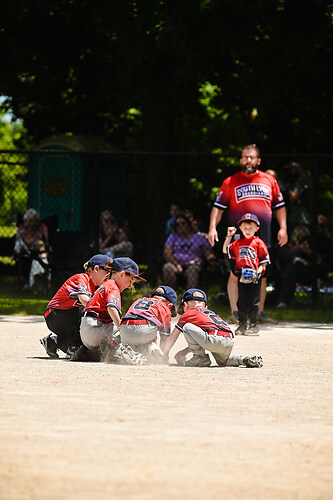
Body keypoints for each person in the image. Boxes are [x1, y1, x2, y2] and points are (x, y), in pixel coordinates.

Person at [208, 144, 288, 325]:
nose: (248, 161)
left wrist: (283, 228)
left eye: (251, 157)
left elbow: (280, 207)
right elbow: (218, 208)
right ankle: (235, 313)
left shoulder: (269, 180)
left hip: (263, 236)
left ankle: (257, 313)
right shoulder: (231, 181)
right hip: (238, 237)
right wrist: (212, 227)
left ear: (258, 160)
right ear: (240, 160)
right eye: (245, 157)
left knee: (262, 273)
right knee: (235, 273)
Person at [162, 288, 263, 368]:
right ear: (205, 306)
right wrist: (183, 352)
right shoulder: (210, 314)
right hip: (229, 340)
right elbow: (201, 341)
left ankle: (200, 357)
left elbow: (173, 337)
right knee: (224, 361)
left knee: (187, 326)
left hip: (213, 339)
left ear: (185, 305)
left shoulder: (188, 314)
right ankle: (244, 359)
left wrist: (164, 355)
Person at [71, 257, 145, 362]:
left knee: (118, 327)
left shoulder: (106, 284)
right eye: (130, 280)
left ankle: (89, 353)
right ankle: (117, 353)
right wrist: (122, 329)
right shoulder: (113, 288)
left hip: (86, 332)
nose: (130, 285)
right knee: (129, 327)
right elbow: (111, 308)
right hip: (95, 329)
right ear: (122, 275)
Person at [40, 254, 112, 358]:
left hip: (67, 320)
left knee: (87, 349)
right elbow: (84, 299)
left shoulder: (96, 287)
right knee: (88, 312)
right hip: (54, 315)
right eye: (107, 272)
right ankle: (73, 347)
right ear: (96, 269)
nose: (109, 276)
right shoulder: (82, 278)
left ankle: (53, 341)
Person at [223, 213, 270, 335]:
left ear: (257, 229)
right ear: (240, 229)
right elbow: (225, 249)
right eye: (245, 228)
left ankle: (253, 325)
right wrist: (229, 236)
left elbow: (264, 262)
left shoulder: (258, 242)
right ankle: (242, 324)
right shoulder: (238, 243)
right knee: (241, 302)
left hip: (254, 278)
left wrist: (257, 272)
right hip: (242, 277)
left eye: (250, 228)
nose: (248, 230)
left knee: (254, 302)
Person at [276, 215, 333, 308]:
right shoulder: (307, 240)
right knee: (294, 267)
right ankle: (284, 301)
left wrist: (312, 254)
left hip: (320, 272)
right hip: (305, 272)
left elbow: (329, 263)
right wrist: (297, 249)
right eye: (316, 224)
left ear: (325, 227)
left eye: (321, 225)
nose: (318, 227)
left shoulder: (327, 243)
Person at [118, 286, 177, 365]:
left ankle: (131, 351)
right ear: (169, 305)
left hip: (124, 330)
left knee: (140, 340)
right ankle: (150, 351)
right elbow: (165, 337)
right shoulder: (165, 307)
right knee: (152, 329)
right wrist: (164, 357)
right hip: (143, 329)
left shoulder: (140, 300)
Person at [163, 213, 217, 289]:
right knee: (167, 267)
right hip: (176, 264)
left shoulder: (199, 237)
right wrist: (176, 264)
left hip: (194, 264)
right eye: (177, 224)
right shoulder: (173, 237)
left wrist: (211, 259)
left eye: (183, 223)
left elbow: (208, 252)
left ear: (188, 224)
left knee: (192, 270)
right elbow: (167, 253)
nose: (180, 226)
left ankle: (190, 297)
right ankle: (170, 295)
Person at [14, 208, 49, 289]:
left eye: (34, 221)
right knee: (23, 258)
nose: (32, 223)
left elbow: (47, 242)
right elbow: (18, 243)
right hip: (25, 252)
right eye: (30, 221)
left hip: (39, 252)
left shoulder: (42, 228)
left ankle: (39, 283)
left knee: (39, 245)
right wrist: (19, 250)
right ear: (25, 221)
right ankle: (28, 283)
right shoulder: (21, 229)